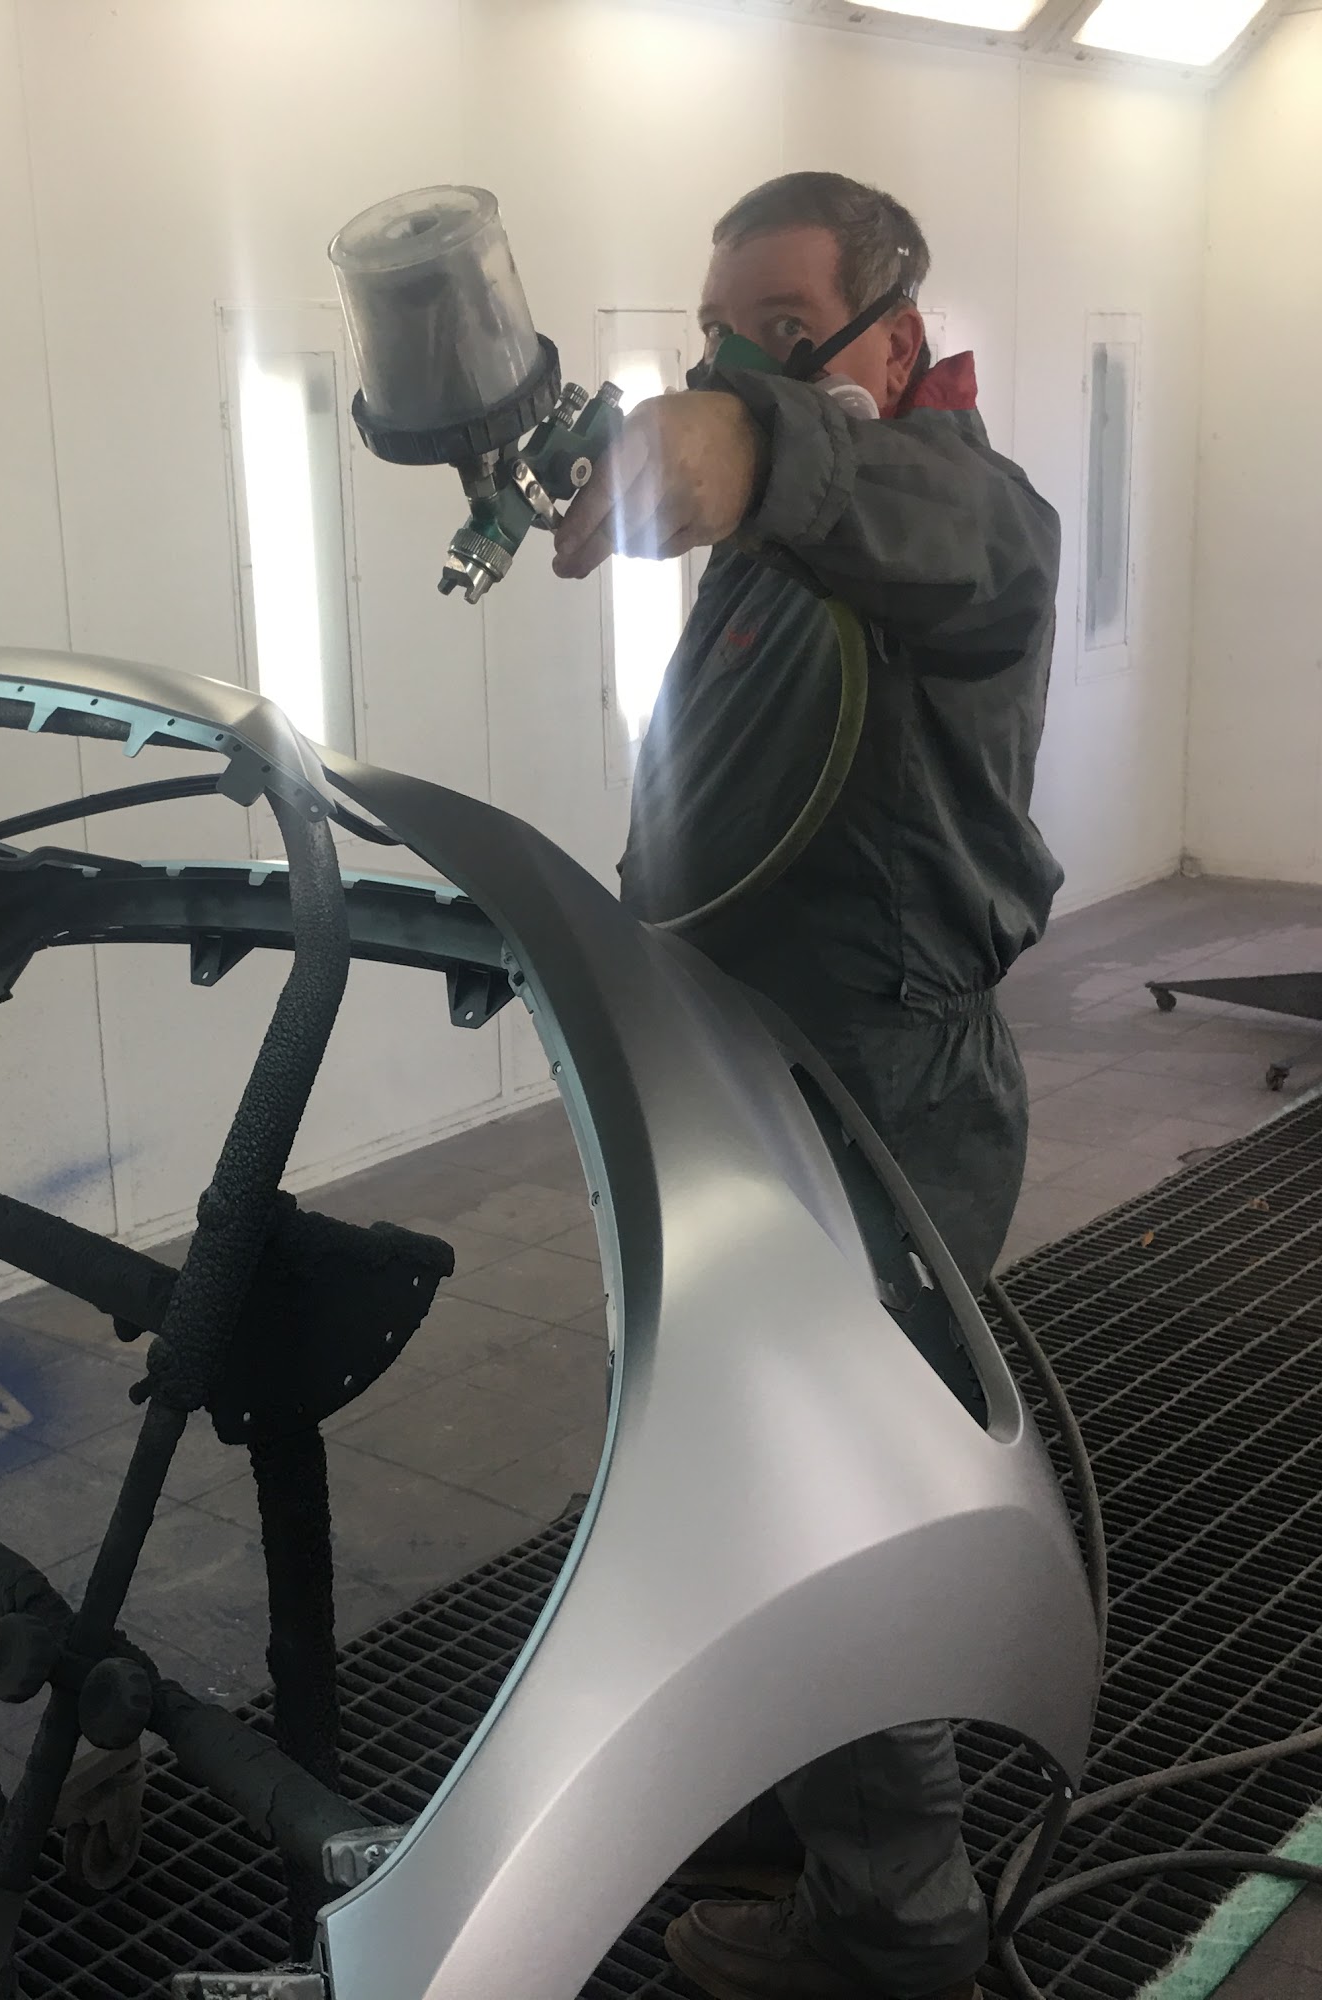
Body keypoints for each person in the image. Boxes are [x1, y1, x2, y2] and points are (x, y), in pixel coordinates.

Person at [553, 172, 1063, 2000]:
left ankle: (896, 1929)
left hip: (882, 1093)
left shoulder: (964, 522)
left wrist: (753, 441)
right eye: (717, 339)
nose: (738, 367)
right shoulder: (778, 559)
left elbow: (930, 516)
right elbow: (712, 798)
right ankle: (798, 1820)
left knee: (829, 1505)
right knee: (737, 1471)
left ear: (894, 341)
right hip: (747, 1075)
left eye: (781, 331)